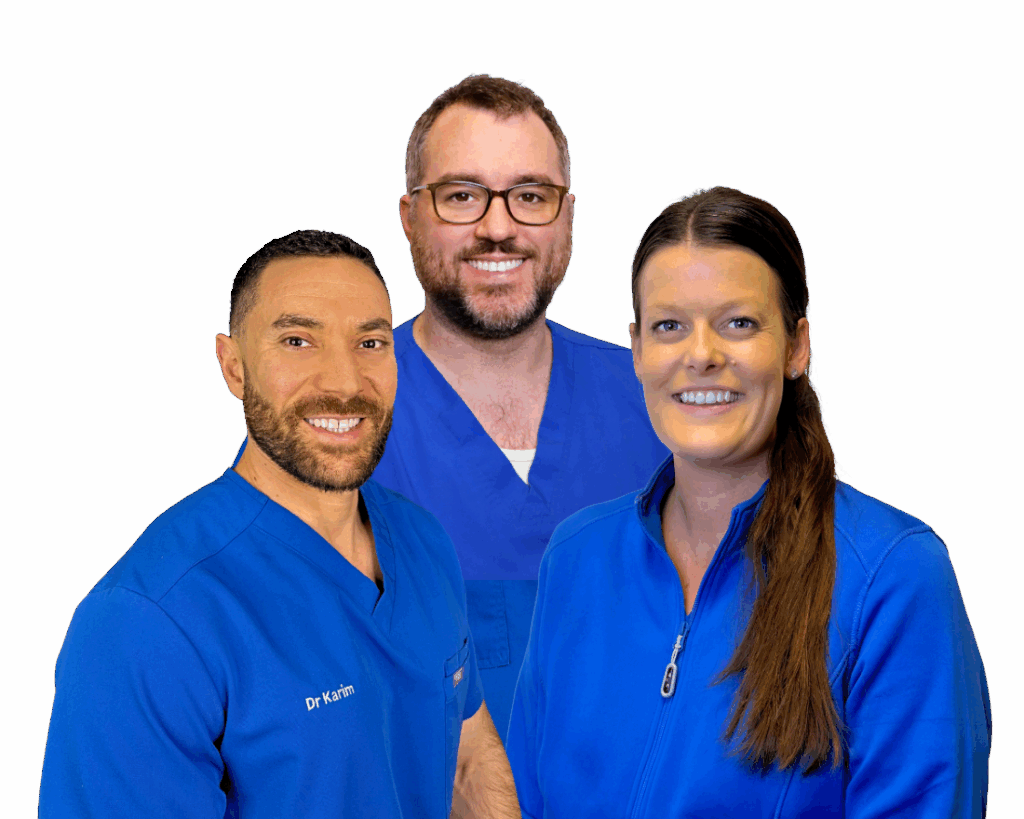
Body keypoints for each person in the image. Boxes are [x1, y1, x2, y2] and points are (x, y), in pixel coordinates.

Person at [506, 187, 992, 817]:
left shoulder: (894, 576)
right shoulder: (576, 556)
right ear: (637, 351)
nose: (701, 355)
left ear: (795, 346)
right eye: (669, 326)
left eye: (738, 323)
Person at [39, 230, 519, 818]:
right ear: (234, 366)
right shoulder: (144, 622)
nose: (344, 383)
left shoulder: (424, 541)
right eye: (297, 341)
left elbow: (467, 761)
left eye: (370, 342)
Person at [370, 74, 669, 740]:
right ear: (409, 216)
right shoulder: (340, 416)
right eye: (462, 196)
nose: (498, 228)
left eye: (531, 196)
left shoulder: (659, 401)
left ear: (568, 217)